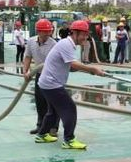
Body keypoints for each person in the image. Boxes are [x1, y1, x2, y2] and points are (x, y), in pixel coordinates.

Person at [34, 20, 104, 149]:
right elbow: (73, 64)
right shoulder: (66, 44)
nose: (85, 37)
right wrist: (92, 69)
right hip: (51, 83)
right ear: (74, 33)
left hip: (47, 82)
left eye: (86, 35)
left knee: (53, 111)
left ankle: (42, 135)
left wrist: (89, 71)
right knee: (70, 108)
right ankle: (69, 140)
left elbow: (70, 67)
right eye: (83, 34)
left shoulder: (68, 44)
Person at [23, 18, 59, 136]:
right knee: (40, 101)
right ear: (38, 31)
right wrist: (25, 71)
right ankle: (41, 126)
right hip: (39, 74)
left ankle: (53, 127)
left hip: (52, 76)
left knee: (52, 102)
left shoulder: (53, 44)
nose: (48, 34)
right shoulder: (31, 42)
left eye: (49, 31)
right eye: (45, 31)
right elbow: (28, 57)